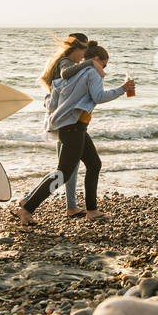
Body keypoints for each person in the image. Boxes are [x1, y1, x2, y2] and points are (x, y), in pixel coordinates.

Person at [16, 41, 133, 225]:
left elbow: (56, 93)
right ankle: (27, 209)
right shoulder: (92, 72)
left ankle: (92, 210)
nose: (104, 68)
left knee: (94, 164)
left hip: (73, 127)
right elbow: (98, 97)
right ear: (96, 59)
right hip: (73, 128)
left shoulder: (74, 72)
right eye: (104, 64)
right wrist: (122, 89)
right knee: (63, 173)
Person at [39, 33, 96, 218]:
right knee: (65, 169)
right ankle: (29, 201)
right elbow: (66, 74)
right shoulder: (65, 63)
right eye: (83, 52)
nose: (83, 56)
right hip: (64, 122)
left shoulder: (63, 62)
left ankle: (71, 206)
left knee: (66, 167)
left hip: (60, 119)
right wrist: (90, 64)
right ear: (76, 48)